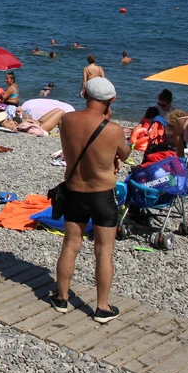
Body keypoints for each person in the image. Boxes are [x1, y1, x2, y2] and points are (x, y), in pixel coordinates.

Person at [53, 77, 129, 325]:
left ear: (83, 93)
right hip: (102, 195)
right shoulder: (114, 128)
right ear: (112, 99)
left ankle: (62, 298)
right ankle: (102, 307)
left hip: (75, 191)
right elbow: (125, 153)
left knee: (70, 245)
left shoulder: (67, 120)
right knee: (104, 251)